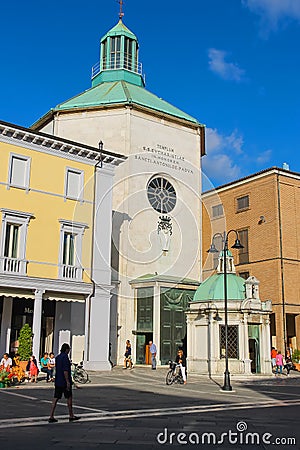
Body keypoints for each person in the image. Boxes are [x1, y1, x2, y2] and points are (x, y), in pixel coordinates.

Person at [48, 343, 80, 423]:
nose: (69, 351)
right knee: (69, 398)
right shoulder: (65, 357)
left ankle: (51, 415)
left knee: (56, 398)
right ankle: (71, 415)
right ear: (66, 349)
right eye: (69, 349)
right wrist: (68, 382)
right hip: (64, 381)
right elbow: (65, 370)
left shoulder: (58, 357)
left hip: (58, 380)